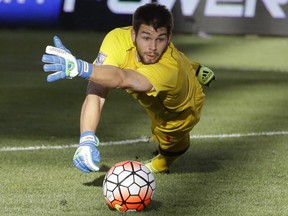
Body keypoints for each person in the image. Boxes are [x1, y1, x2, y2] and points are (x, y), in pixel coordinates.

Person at [42, 3, 215, 173]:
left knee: (172, 142)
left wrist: (80, 68)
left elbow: (123, 78)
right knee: (101, 79)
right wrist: (87, 139)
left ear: (169, 38)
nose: (153, 47)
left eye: (160, 39)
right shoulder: (117, 38)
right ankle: (195, 68)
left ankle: (160, 164)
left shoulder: (169, 69)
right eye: (146, 37)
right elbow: (98, 86)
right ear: (133, 34)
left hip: (180, 111)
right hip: (179, 67)